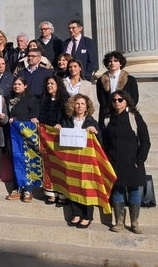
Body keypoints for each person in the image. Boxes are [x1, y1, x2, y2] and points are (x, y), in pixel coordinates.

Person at [102, 90, 150, 234]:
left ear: (126, 101)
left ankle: (134, 222)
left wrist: (139, 160)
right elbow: (104, 141)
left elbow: (145, 141)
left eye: (120, 99)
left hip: (133, 161)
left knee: (134, 190)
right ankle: (119, 222)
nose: (117, 102)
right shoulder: (107, 118)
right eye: (114, 100)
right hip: (114, 162)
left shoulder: (134, 117)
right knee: (117, 190)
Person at [56, 94, 101, 228]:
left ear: (87, 107)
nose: (79, 106)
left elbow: (100, 143)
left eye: (82, 104)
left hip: (87, 163)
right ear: (72, 106)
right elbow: (60, 140)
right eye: (77, 103)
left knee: (87, 187)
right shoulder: (67, 120)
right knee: (73, 186)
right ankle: (76, 213)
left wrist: (95, 133)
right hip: (71, 161)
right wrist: (57, 129)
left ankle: (87, 216)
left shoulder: (92, 122)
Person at [35, 75, 69, 205]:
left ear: (58, 85)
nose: (49, 86)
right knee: (48, 165)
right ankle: (51, 194)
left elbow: (69, 118)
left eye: (52, 84)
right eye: (48, 84)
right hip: (46, 137)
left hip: (60, 137)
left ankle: (62, 195)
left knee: (60, 166)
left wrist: (61, 124)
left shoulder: (66, 99)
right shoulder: (44, 99)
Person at [6, 76, 40, 203]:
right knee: (15, 161)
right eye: (15, 84)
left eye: (19, 84)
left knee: (27, 161)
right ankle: (17, 188)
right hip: (12, 136)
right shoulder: (9, 99)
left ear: (25, 86)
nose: (16, 86)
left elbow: (34, 117)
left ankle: (28, 190)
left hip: (26, 137)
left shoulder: (31, 99)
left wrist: (18, 120)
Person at [96, 51, 139, 126]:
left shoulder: (130, 79)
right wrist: (108, 111)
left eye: (115, 61)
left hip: (125, 113)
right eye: (110, 61)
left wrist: (127, 109)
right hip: (107, 114)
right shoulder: (100, 80)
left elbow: (134, 97)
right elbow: (101, 99)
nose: (112, 63)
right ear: (107, 64)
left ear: (121, 63)